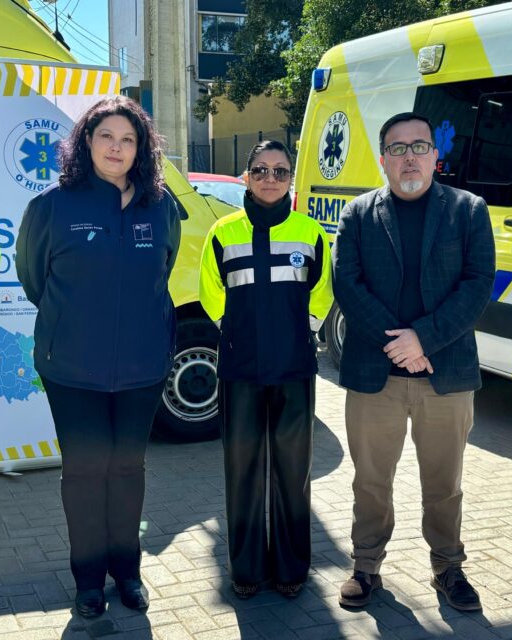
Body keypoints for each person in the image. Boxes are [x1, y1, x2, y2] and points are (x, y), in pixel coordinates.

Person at [15, 96, 180, 619]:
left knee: (128, 469)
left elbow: (164, 269)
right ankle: (88, 580)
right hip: (73, 371)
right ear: (86, 142)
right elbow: (32, 278)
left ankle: (127, 572)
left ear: (141, 149)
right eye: (106, 136)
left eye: (128, 139)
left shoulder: (160, 205)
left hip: (142, 368)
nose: (117, 147)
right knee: (86, 473)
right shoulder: (53, 206)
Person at [331, 112, 495, 612]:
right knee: (370, 482)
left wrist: (423, 338)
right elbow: (347, 285)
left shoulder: (468, 210)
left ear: (434, 155)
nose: (409, 157)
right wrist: (397, 344)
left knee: (444, 484)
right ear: (382, 158)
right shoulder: (358, 214)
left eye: (419, 146)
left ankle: (448, 568)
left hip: (444, 376)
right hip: (374, 376)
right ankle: (366, 567)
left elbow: (477, 283)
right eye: (397, 148)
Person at [198, 140, 334, 600]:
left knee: (293, 473)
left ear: (291, 178)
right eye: (261, 170)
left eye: (280, 171)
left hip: (294, 370)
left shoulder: (310, 232)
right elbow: (211, 292)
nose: (270, 178)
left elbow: (322, 292)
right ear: (246, 177)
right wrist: (232, 332)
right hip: (239, 372)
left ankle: (292, 568)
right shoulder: (223, 232)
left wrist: (304, 331)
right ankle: (247, 568)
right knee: (243, 471)